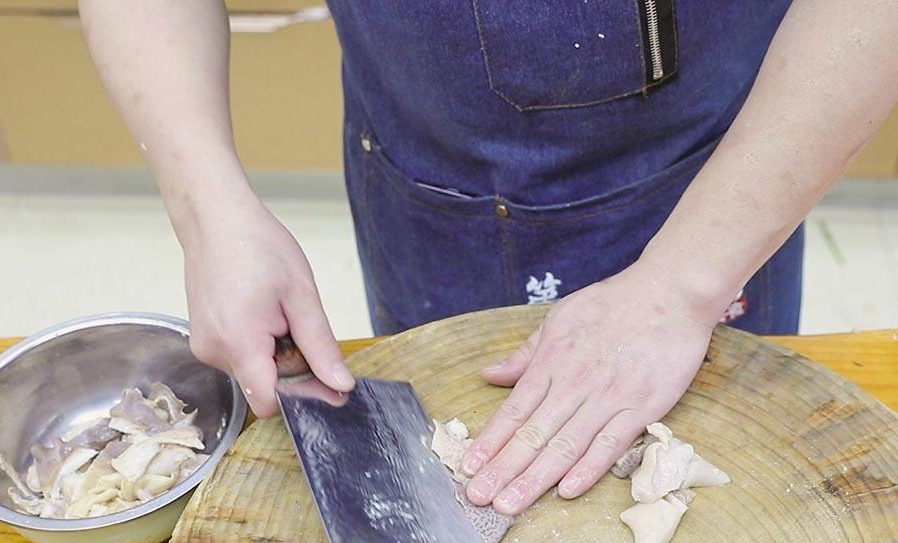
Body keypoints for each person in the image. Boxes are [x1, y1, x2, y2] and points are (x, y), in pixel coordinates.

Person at [80, 0, 898, 515]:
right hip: (426, 184)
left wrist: (683, 285)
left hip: (719, 184)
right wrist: (209, 210)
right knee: (450, 490)